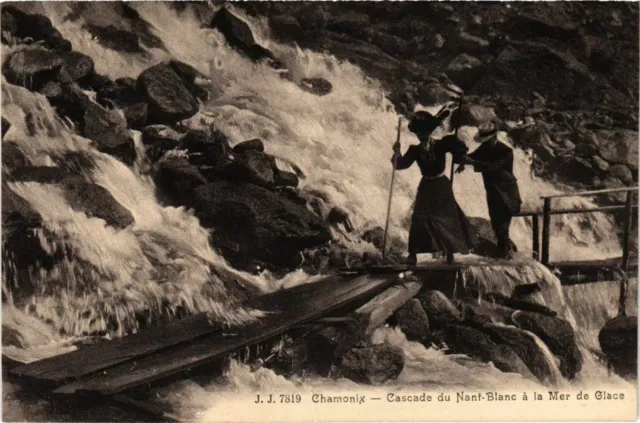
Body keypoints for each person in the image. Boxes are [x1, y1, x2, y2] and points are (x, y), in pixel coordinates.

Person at [392, 106, 476, 265]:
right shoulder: (415, 150)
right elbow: (401, 165)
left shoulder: (441, 144)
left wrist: (462, 160)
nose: (421, 136)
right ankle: (413, 254)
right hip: (426, 186)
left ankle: (450, 253)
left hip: (441, 185)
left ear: (429, 132)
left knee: (447, 218)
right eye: (419, 134)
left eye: (424, 133)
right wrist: (396, 153)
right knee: (418, 218)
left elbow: (457, 149)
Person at [457, 122, 522, 259]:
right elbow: (472, 156)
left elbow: (493, 167)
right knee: (496, 223)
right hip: (493, 191)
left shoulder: (506, 151)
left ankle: (505, 254)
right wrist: (462, 157)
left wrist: (471, 162)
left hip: (506, 194)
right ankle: (505, 253)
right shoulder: (485, 148)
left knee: (502, 225)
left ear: (494, 136)